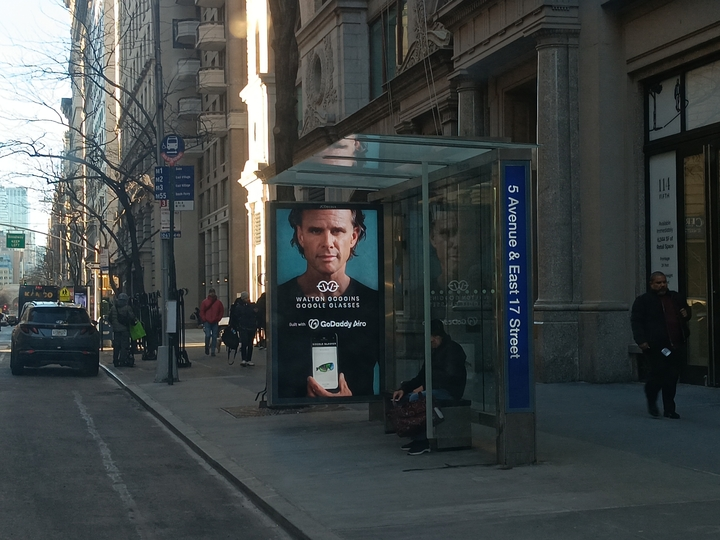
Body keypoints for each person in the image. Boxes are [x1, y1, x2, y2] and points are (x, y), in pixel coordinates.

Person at [276, 207, 380, 399]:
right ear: (300, 235)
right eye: (316, 231)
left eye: (337, 231)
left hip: (356, 422)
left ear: (354, 236)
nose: (327, 243)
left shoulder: (375, 303)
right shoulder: (278, 299)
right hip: (293, 420)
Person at [392, 319, 467, 455]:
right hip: (434, 388)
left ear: (437, 337)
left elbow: (450, 377)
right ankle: (416, 437)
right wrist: (404, 388)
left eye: (431, 339)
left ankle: (423, 441)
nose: (429, 342)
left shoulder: (453, 350)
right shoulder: (433, 352)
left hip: (449, 391)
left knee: (417, 399)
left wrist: (425, 386)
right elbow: (421, 376)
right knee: (406, 398)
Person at [631, 271, 691, 419]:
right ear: (651, 284)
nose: (662, 285)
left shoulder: (675, 298)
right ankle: (651, 399)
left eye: (664, 282)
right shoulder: (643, 301)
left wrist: (687, 313)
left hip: (675, 344)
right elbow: (636, 322)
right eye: (658, 283)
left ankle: (669, 409)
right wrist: (641, 341)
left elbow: (686, 313)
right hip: (655, 346)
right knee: (658, 375)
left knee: (672, 377)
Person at [107, 292, 138, 367]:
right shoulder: (127, 308)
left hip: (116, 330)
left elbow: (109, 318)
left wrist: (114, 324)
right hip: (125, 330)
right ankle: (122, 360)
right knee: (124, 346)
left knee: (116, 346)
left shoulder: (113, 308)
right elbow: (132, 317)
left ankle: (115, 360)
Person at [229, 292, 257, 367]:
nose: (247, 299)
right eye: (245, 298)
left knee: (250, 343)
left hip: (250, 326)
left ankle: (248, 359)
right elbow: (235, 317)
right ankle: (244, 359)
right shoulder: (239, 306)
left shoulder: (250, 306)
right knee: (245, 342)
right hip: (243, 327)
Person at [200, 288, 224, 357]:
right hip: (207, 321)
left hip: (215, 321)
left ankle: (213, 351)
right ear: (209, 293)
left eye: (213, 292)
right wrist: (204, 319)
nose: (212, 294)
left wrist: (218, 318)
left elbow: (221, 311)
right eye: (211, 292)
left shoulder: (218, 303)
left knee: (214, 336)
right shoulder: (205, 302)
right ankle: (207, 346)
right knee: (207, 335)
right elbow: (202, 311)